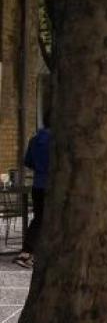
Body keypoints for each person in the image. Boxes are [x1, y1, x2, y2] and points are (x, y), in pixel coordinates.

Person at [14, 113, 52, 269]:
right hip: (52, 186)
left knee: (38, 219)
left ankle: (28, 251)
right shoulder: (58, 141)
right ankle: (28, 252)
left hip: (38, 185)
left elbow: (28, 162)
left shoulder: (34, 140)